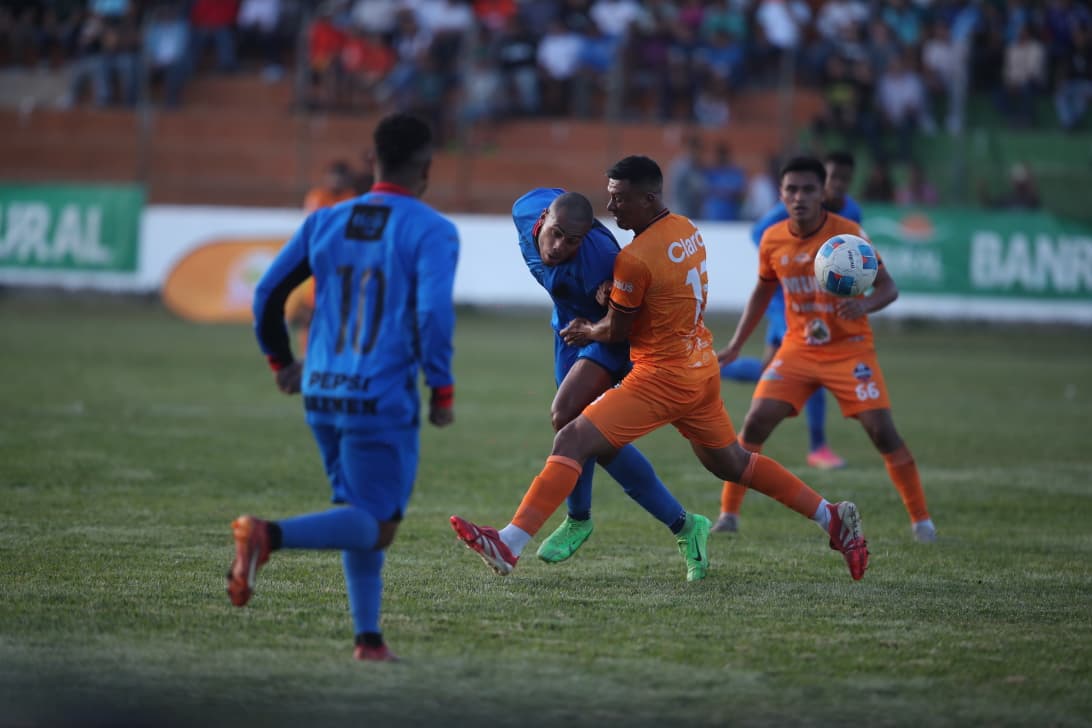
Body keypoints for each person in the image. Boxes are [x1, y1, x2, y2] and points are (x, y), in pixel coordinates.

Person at [450, 155, 869, 583]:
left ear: (647, 199)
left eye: (619, 200)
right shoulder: (687, 231)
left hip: (663, 377)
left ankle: (509, 542)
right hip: (698, 363)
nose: (610, 210)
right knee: (734, 463)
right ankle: (831, 516)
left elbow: (617, 329)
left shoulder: (631, 261)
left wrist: (589, 328)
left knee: (573, 436)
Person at [227, 112, 459, 661]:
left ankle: (368, 639)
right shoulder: (431, 229)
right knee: (376, 525)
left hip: (321, 389)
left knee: (359, 511)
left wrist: (281, 361)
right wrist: (442, 388)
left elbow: (266, 294)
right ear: (426, 167)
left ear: (371, 159)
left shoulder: (325, 221)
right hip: (379, 395)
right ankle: (267, 535)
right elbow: (432, 315)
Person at [717, 155, 936, 544]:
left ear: (824, 192)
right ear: (781, 194)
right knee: (754, 422)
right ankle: (728, 516)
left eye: (808, 189)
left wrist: (864, 305)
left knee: (882, 432)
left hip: (850, 350)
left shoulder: (848, 235)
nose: (799, 197)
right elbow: (762, 291)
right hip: (798, 348)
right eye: (791, 190)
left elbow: (888, 287)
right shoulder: (773, 238)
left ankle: (922, 522)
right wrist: (736, 344)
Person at [511, 187, 706, 568]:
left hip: (605, 336)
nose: (559, 247)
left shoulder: (602, 258)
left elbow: (636, 304)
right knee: (586, 435)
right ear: (543, 219)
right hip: (568, 330)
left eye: (572, 241)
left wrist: (613, 295)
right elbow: (556, 196)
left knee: (566, 415)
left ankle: (578, 519)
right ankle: (682, 523)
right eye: (555, 234)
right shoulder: (525, 208)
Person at [717, 150, 859, 534]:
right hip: (787, 304)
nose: (838, 187)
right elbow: (758, 237)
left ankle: (817, 445)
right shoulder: (785, 214)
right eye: (833, 179)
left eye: (843, 180)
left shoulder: (851, 216)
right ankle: (816, 445)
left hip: (821, 309)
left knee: (789, 371)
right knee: (788, 369)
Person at [284, 159, 359, 351]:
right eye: (333, 177)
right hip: (320, 261)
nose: (336, 182)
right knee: (312, 308)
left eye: (339, 178)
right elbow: (317, 227)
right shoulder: (318, 196)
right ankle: (306, 351)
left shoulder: (352, 198)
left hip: (343, 263)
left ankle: (337, 349)